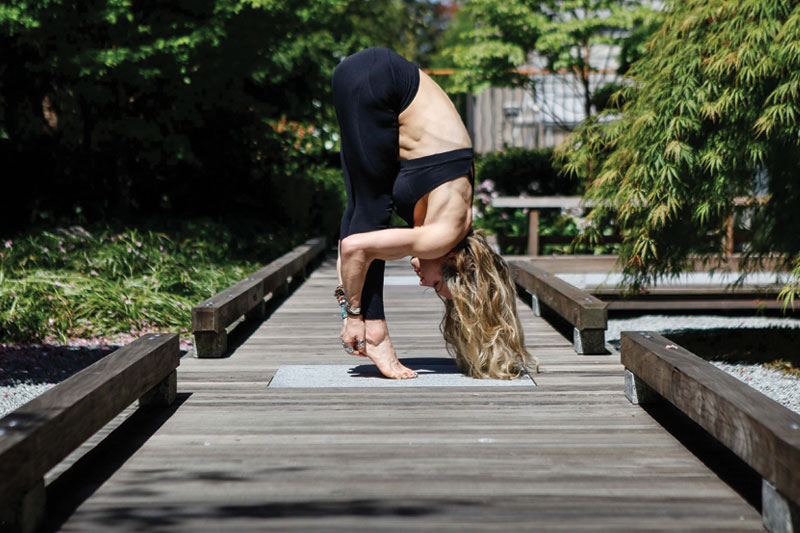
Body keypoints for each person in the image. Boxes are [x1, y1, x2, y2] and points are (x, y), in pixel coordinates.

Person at [332, 47, 536, 379]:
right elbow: (355, 247)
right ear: (452, 260)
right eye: (438, 284)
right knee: (372, 211)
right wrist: (354, 317)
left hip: (368, 75)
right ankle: (376, 334)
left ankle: (373, 332)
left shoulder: (451, 223)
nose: (425, 283)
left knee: (363, 206)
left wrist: (347, 310)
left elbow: (352, 238)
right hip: (378, 80)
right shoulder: (441, 235)